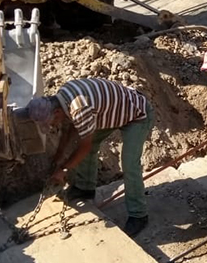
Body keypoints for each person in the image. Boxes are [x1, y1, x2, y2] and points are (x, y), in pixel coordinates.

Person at [25, 78, 155, 237]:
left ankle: (139, 215)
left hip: (137, 114)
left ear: (57, 112)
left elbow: (84, 147)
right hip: (111, 112)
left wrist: (64, 169)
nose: (52, 126)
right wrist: (58, 157)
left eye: (51, 122)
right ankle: (85, 188)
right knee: (87, 144)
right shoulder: (64, 95)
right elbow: (69, 130)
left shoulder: (80, 109)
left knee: (129, 164)